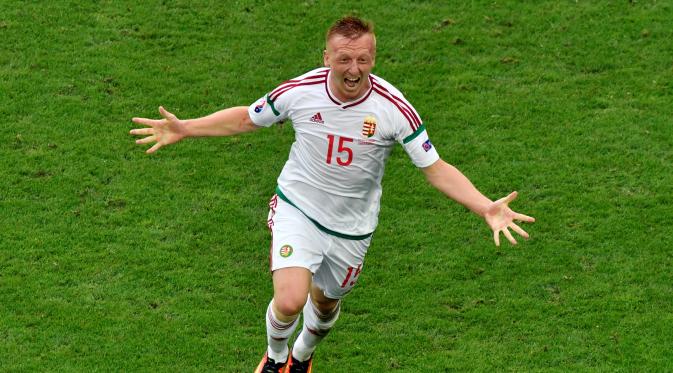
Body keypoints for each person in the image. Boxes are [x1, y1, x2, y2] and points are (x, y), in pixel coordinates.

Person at [130, 16, 535, 373]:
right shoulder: (300, 91)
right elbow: (247, 119)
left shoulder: (394, 110)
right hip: (298, 209)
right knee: (290, 301)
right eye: (344, 59)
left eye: (362, 59)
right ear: (327, 57)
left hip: (352, 229)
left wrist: (485, 206)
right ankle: (274, 360)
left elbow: (436, 168)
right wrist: (186, 128)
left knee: (323, 308)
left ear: (373, 59)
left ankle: (303, 357)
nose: (354, 68)